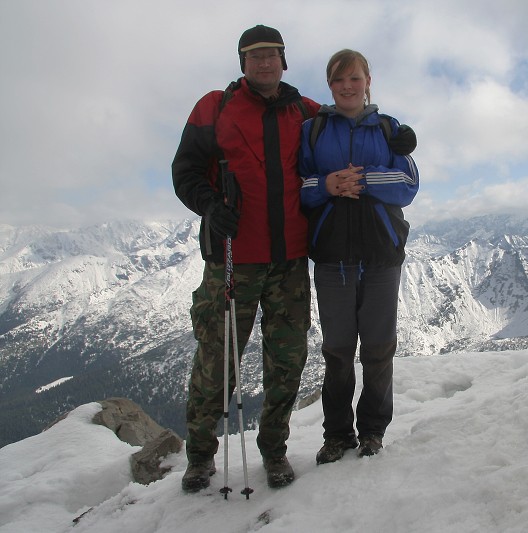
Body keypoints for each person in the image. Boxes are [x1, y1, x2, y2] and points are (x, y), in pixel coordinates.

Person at [172, 24, 321, 493]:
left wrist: (391, 134)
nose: (263, 63)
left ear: (284, 60)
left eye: (271, 54)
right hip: (232, 259)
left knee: (287, 362)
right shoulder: (214, 107)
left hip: (291, 261)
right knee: (217, 363)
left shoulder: (307, 112)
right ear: (242, 63)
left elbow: (352, 122)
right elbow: (185, 170)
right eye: (254, 56)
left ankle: (273, 451)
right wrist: (211, 207)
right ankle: (199, 458)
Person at [298, 49, 420, 464]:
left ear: (368, 81)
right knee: (337, 349)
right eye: (338, 80)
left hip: (381, 255)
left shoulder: (389, 129)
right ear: (329, 85)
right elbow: (298, 185)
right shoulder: (312, 130)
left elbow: (407, 182)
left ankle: (372, 431)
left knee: (378, 347)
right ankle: (337, 435)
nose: (347, 86)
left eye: (354, 78)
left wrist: (362, 179)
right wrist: (327, 185)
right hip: (333, 256)